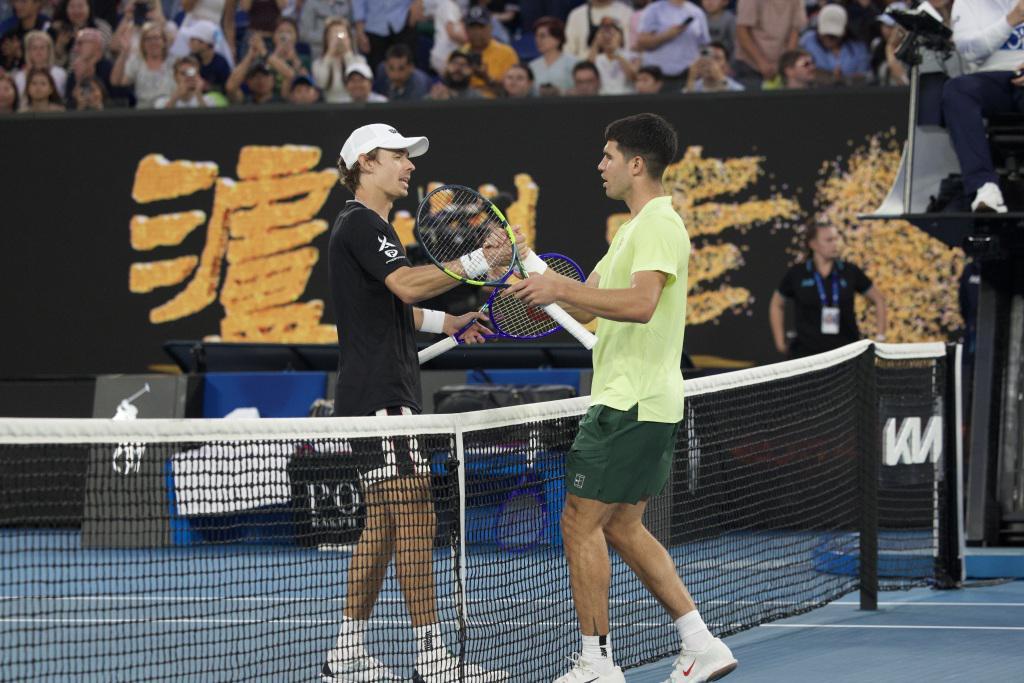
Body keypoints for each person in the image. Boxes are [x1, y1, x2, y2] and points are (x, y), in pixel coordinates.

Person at [504, 113, 738, 683]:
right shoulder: (633, 232)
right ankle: (701, 643)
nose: (599, 165)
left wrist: (557, 286)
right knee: (622, 527)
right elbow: (582, 305)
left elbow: (640, 304)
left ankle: (597, 663)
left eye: (608, 156)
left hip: (629, 404)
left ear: (636, 164)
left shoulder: (658, 224)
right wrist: (522, 262)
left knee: (577, 522)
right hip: (643, 404)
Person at [321, 122, 507, 683]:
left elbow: (391, 306)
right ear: (366, 162)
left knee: (381, 527)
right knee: (416, 517)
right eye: (398, 155)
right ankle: (433, 656)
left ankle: (346, 652)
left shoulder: (364, 226)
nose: (410, 165)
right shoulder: (363, 223)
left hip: (373, 395)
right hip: (382, 399)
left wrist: (449, 321)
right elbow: (404, 286)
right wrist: (477, 263)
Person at [940, 0, 1024, 213]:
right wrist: (1010, 20)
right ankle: (984, 187)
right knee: (956, 90)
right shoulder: (967, 3)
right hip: (990, 80)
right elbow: (969, 51)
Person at [769, 223, 886, 358]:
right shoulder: (798, 273)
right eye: (829, 240)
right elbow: (776, 304)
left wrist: (880, 337)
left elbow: (879, 299)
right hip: (806, 354)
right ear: (813, 244)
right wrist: (780, 342)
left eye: (836, 239)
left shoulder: (849, 271)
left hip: (846, 353)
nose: (835, 244)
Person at [635, 0, 710, 92]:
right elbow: (641, 42)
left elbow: (705, 45)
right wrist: (666, 35)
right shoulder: (653, 10)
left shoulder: (697, 12)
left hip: (688, 76)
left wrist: (704, 67)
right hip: (659, 78)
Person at [734, 0, 806, 87]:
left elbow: (795, 31)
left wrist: (785, 64)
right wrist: (762, 63)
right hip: (750, 67)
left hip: (781, 68)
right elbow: (741, 31)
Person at [798, 3, 871, 86]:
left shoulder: (858, 47)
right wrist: (828, 77)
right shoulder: (807, 42)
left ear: (844, 32)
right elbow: (799, 71)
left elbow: (865, 76)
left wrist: (844, 79)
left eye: (833, 36)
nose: (829, 38)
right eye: (826, 34)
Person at [110, 19, 175, 108]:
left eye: (156, 38)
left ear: (164, 42)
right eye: (148, 39)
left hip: (170, 109)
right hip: (144, 110)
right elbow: (116, 81)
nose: (153, 42)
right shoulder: (137, 62)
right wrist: (124, 52)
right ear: (143, 44)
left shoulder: (174, 62)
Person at [461, 5, 518, 97]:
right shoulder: (459, 54)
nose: (477, 32)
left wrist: (486, 77)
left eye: (481, 27)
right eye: (472, 27)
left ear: (491, 28)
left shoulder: (507, 53)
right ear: (466, 30)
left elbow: (512, 92)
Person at [352, 0, 420, 71]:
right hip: (374, 25)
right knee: (377, 68)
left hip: (404, 19)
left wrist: (417, 5)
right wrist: (360, 31)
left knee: (407, 66)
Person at [312, 17, 366, 103]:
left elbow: (357, 80)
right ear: (326, 38)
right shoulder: (318, 63)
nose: (338, 38)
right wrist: (330, 53)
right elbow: (321, 83)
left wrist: (348, 53)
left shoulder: (359, 60)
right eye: (333, 34)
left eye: (341, 34)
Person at [564, 0, 634, 60]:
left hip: (619, 67)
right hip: (585, 67)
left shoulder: (627, 13)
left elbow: (630, 50)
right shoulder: (576, 15)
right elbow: (569, 51)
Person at [588, 16, 637, 94]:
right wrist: (596, 43)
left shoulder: (632, 56)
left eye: (612, 33)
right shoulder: (597, 58)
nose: (608, 37)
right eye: (604, 33)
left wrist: (616, 51)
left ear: (621, 37)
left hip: (626, 96)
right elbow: (587, 72)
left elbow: (634, 77)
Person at [529, 15, 577, 95]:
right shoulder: (532, 66)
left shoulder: (573, 63)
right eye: (536, 36)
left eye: (542, 36)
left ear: (557, 38)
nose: (538, 40)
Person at [14, 29, 66, 98]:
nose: (38, 51)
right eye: (34, 48)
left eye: (42, 48)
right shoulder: (20, 77)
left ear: (49, 51)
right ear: (28, 52)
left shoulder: (60, 74)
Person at [154, 54, 222, 106]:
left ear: (198, 75)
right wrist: (176, 97)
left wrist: (199, 95)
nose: (188, 77)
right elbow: (161, 117)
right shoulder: (161, 102)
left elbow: (209, 118)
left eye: (191, 73)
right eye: (183, 73)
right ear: (175, 77)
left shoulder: (209, 100)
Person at [182, 19, 230, 92]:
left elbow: (226, 88)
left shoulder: (221, 64)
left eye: (193, 39)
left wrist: (208, 87)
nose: (189, 42)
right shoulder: (192, 57)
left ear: (204, 44)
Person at [429, 0, 464, 74]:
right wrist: (470, 39)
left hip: (447, 54)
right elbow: (451, 32)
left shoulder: (452, 5)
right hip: (444, 55)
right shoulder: (448, 5)